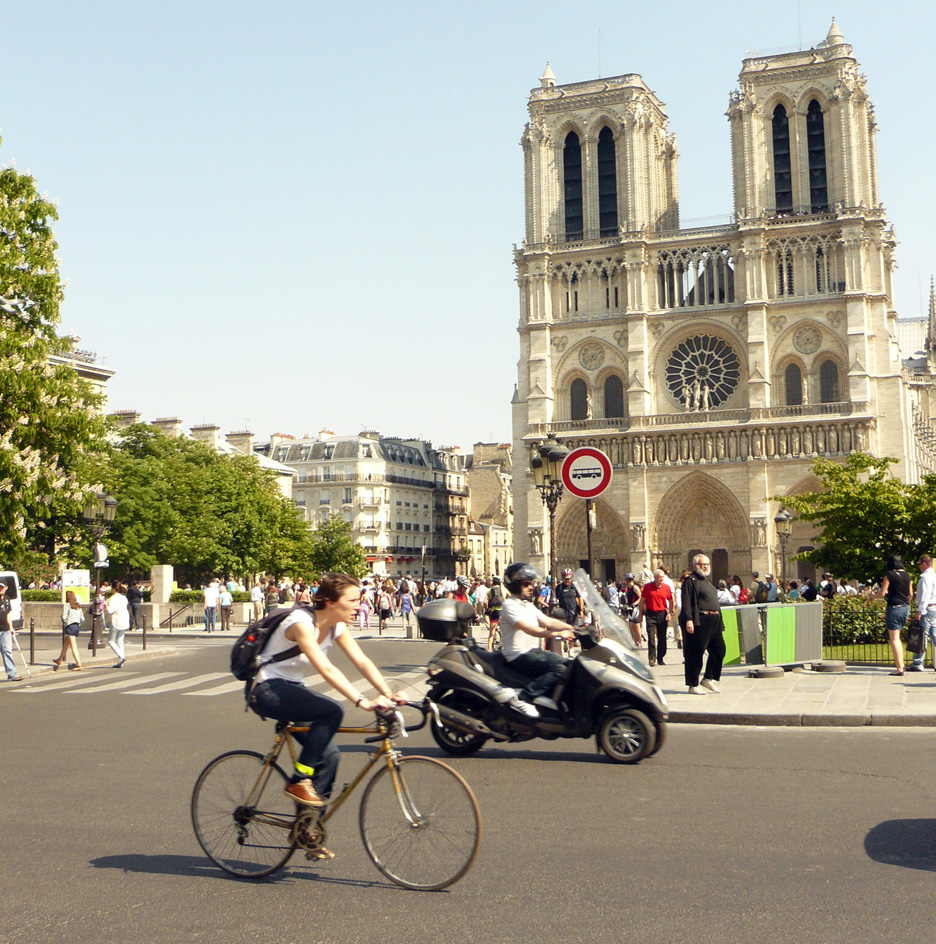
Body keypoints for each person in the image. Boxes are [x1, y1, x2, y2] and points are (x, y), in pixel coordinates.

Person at [247, 573, 405, 859]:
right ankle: (299, 779)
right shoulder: (300, 624)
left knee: (329, 755)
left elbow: (362, 661)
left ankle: (307, 827)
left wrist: (387, 692)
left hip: (292, 690)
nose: (360, 604)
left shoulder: (337, 627)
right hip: (267, 689)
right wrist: (361, 700)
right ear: (331, 602)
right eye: (353, 600)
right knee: (332, 710)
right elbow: (326, 668)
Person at [498, 562, 576, 712]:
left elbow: (548, 621)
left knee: (570, 664)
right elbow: (530, 629)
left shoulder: (527, 605)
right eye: (527, 584)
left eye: (532, 583)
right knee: (559, 670)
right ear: (515, 585)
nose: (531, 587)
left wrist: (573, 628)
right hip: (518, 655)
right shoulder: (510, 605)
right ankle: (522, 698)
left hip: (533, 651)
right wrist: (558, 634)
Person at [679, 554, 725, 695]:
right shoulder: (690, 581)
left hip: (714, 621)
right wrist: (688, 620)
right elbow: (686, 601)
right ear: (695, 565)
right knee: (695, 653)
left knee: (719, 650)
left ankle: (708, 678)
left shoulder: (707, 581)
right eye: (702, 564)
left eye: (707, 564)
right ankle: (693, 685)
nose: (705, 566)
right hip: (700, 621)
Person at [872, 555, 912, 676]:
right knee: (899, 637)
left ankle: (900, 667)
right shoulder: (907, 575)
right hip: (905, 607)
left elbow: (882, 592)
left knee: (895, 639)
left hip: (894, 607)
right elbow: (910, 594)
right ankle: (902, 665)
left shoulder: (889, 575)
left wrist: (872, 596)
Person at [639, 569, 674, 667]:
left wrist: (670, 613)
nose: (661, 579)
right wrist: (640, 614)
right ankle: (652, 658)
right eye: (659, 577)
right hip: (650, 613)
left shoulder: (666, 588)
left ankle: (660, 657)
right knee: (651, 637)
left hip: (662, 613)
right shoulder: (648, 587)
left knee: (662, 637)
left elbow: (671, 601)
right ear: (654, 578)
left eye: (662, 577)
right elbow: (642, 601)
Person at [910, 554, 936, 672]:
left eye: (920, 564)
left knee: (922, 635)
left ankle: (918, 663)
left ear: (924, 563)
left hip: (927, 608)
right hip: (933, 608)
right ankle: (918, 662)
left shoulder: (925, 577)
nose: (919, 567)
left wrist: (920, 610)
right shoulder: (934, 575)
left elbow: (925, 595)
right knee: (933, 634)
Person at [54, 590, 85, 671]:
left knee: (74, 647)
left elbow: (64, 617)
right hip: (77, 626)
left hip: (70, 626)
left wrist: (64, 619)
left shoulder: (67, 605)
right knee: (65, 643)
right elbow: (83, 618)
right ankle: (59, 659)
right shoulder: (78, 606)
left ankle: (79, 664)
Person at [0, 583, 23, 682]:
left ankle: (12, 674)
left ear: (6, 588)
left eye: (2, 587)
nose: (0, 589)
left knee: (7, 651)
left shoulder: (7, 598)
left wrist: (11, 627)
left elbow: (8, 614)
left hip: (5, 629)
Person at [105, 581, 131, 668]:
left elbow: (110, 611)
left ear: (114, 589)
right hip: (125, 619)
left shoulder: (113, 598)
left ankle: (121, 656)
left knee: (111, 641)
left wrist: (106, 605)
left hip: (116, 620)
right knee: (120, 641)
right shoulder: (124, 598)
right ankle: (121, 660)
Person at [487, 576, 505, 650]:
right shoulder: (503, 589)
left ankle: (489, 650)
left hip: (494, 612)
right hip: (502, 612)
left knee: (492, 633)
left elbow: (485, 602)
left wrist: (487, 609)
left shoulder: (490, 590)